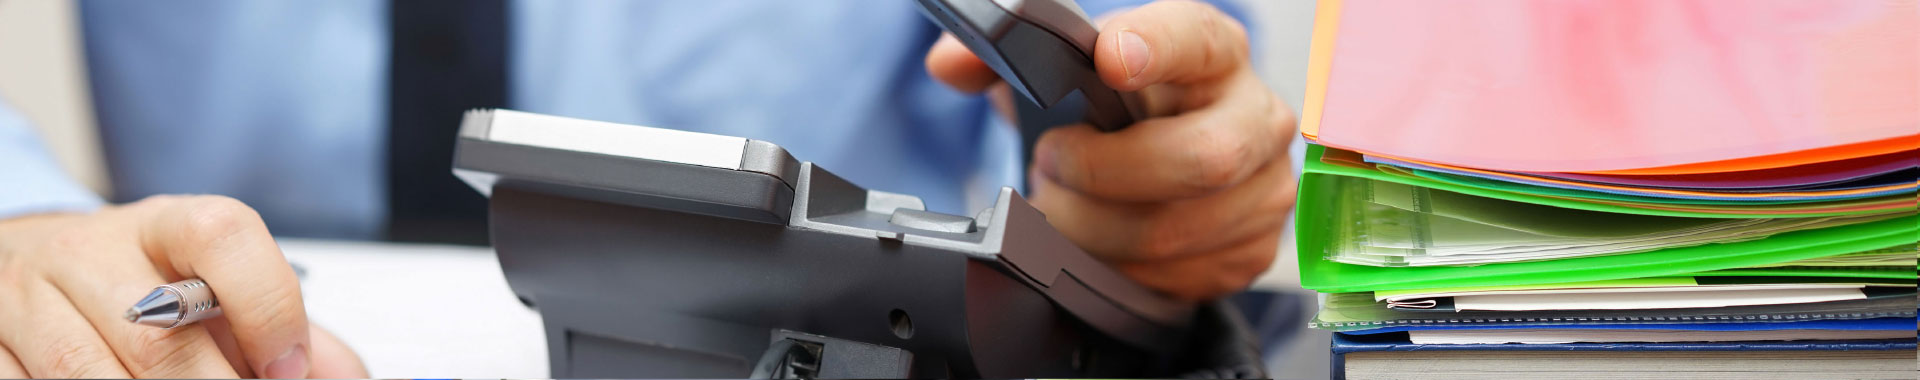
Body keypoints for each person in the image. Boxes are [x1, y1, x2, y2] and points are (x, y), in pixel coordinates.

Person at [0, 0, 1296, 377]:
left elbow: (1134, 55)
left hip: (848, 334)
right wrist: (18, 227)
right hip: (197, 330)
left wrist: (1154, 168)